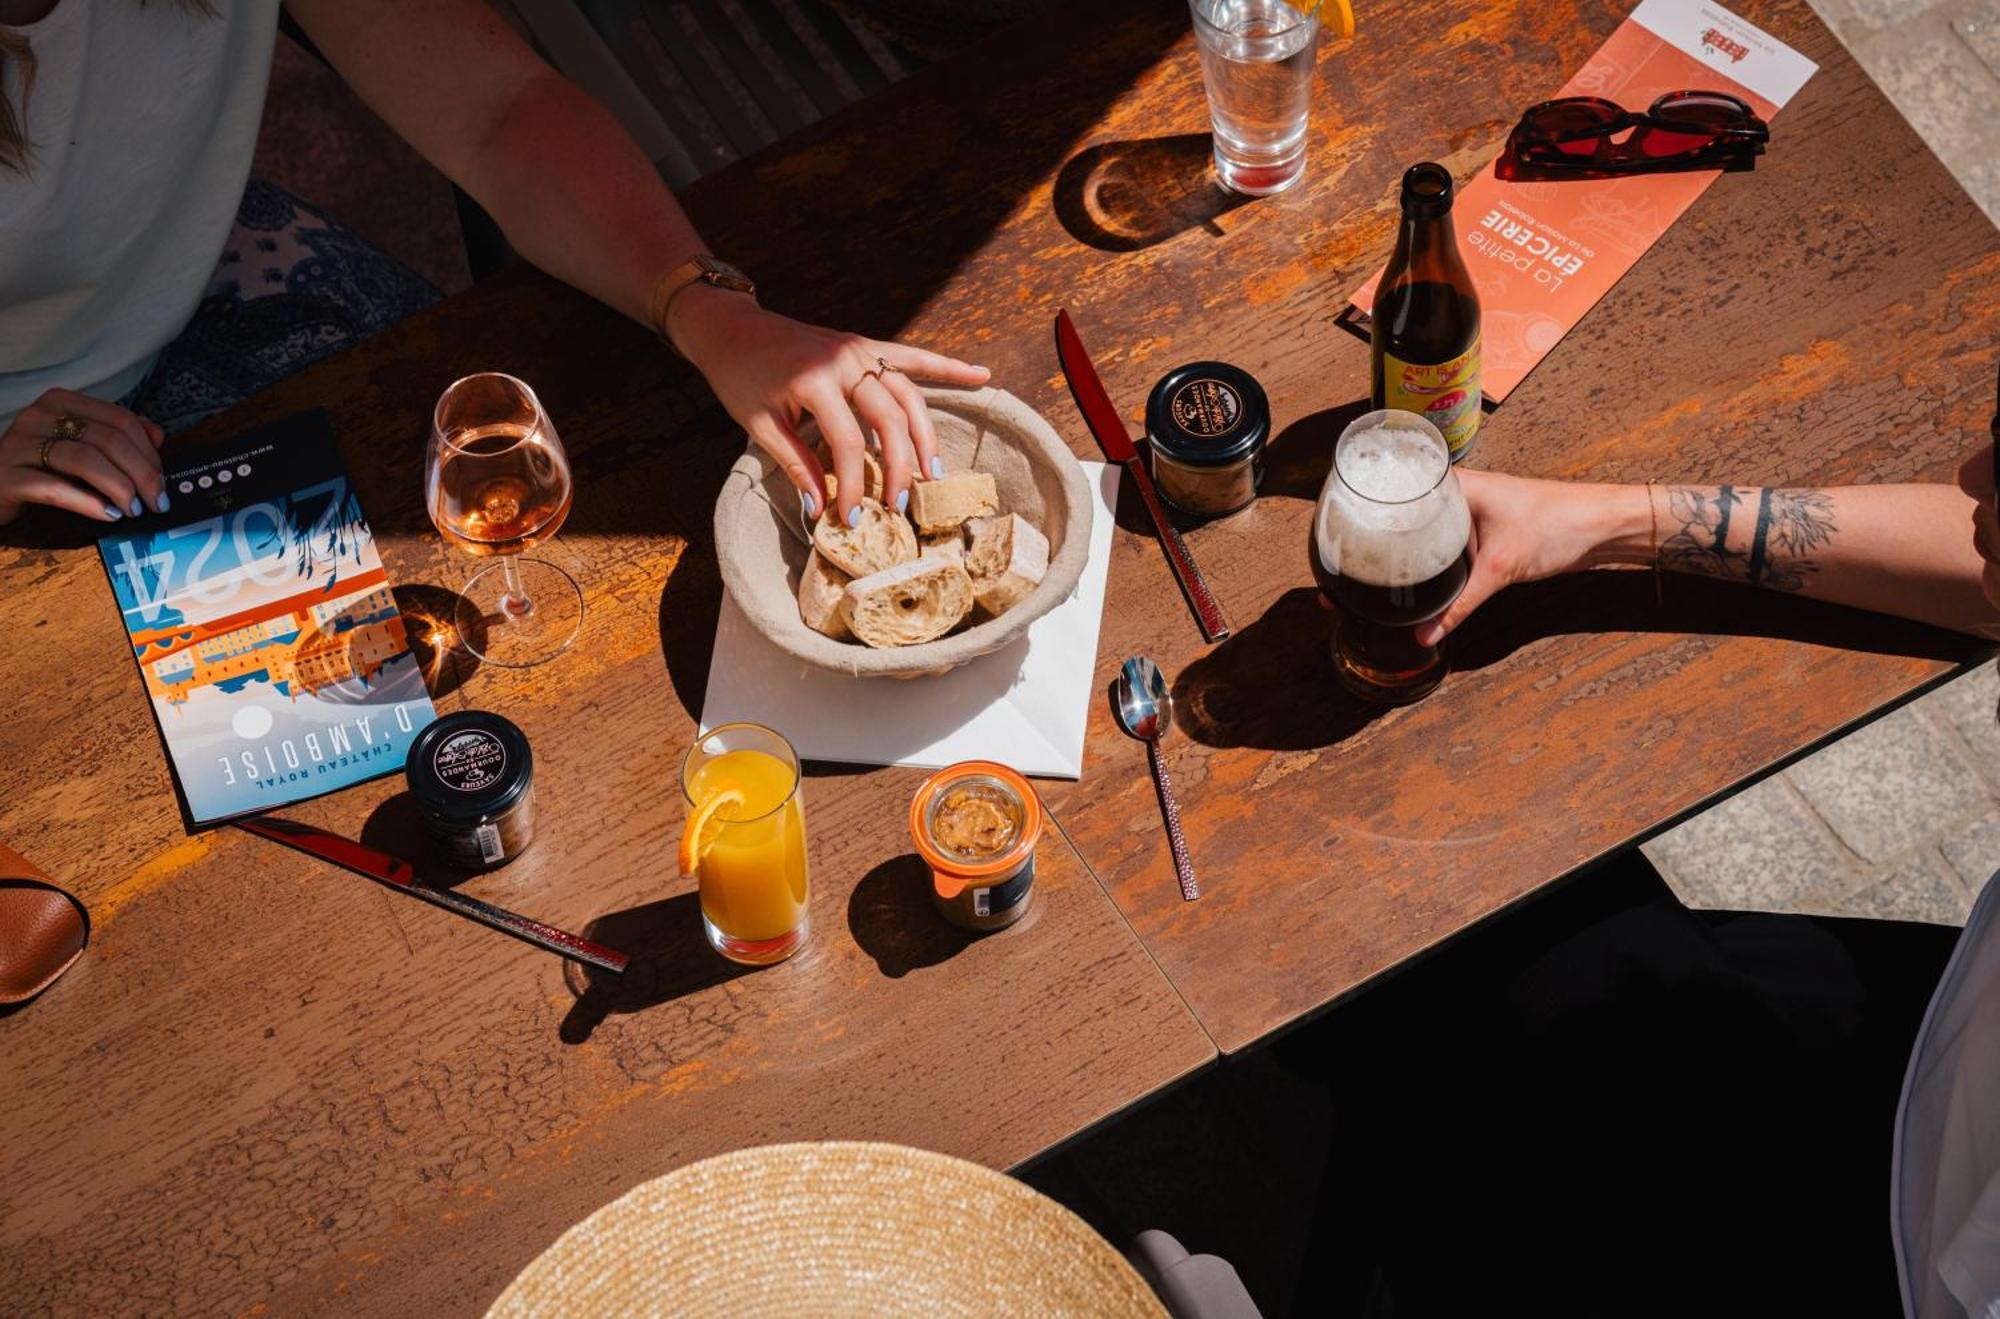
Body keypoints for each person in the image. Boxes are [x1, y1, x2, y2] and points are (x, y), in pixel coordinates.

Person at [1297, 370, 2000, 1317]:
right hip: (1943, 1036)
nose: (1974, 472)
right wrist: (1604, 522)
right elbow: (1982, 559)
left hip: (1892, 1250)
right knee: (1530, 907)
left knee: (1427, 954)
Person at [0, 0, 981, 528]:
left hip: (203, 257)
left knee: (499, 476)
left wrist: (708, 306)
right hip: (20, 435)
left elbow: (494, 111)